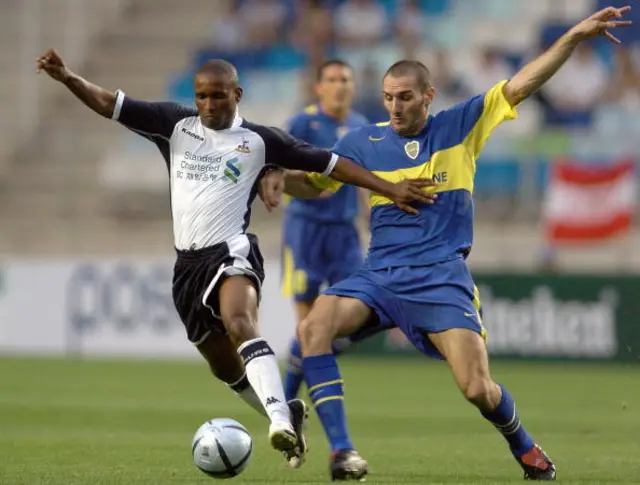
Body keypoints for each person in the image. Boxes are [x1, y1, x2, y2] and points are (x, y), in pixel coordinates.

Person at [261, 5, 632, 481]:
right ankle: (343, 452)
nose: (395, 107)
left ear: (429, 96)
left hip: (441, 279)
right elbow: (314, 185)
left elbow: (523, 83)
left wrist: (574, 37)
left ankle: (524, 446)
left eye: (406, 98)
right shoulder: (361, 141)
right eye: (388, 98)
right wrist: (278, 179)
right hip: (380, 274)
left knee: (478, 389)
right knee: (314, 328)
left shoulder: (462, 125)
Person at [36, 50, 437, 469]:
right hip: (186, 267)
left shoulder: (262, 141)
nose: (209, 106)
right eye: (202, 97)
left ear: (237, 94)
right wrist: (67, 77)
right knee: (224, 368)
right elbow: (110, 104)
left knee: (240, 321)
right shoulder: (174, 125)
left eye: (218, 97)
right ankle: (287, 414)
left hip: (232, 252)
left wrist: (390, 189)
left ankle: (280, 419)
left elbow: (334, 165)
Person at [280, 59, 370, 402]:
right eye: (331, 79)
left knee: (359, 313)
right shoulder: (304, 122)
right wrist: (308, 184)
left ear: (354, 86)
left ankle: (302, 380)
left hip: (345, 233)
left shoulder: (361, 125)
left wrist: (369, 210)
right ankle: (288, 401)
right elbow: (280, 164)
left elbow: (364, 177)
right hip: (305, 230)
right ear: (319, 87)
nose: (339, 85)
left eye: (345, 79)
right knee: (307, 323)